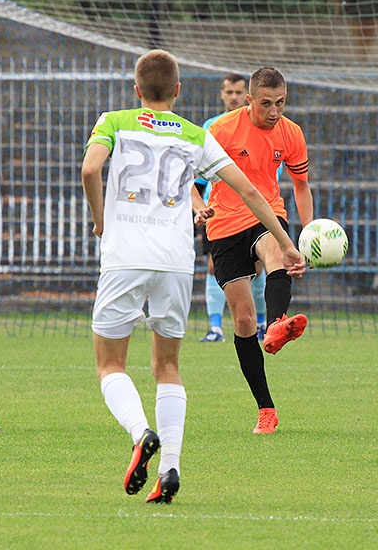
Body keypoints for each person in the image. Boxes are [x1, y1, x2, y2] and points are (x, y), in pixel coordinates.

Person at [82, 50, 305, 503]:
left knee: (110, 364)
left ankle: (139, 431)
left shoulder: (115, 120)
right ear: (179, 90)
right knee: (167, 366)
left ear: (136, 90)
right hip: (175, 260)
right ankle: (170, 470)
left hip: (126, 256)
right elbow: (248, 190)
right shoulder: (193, 133)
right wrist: (286, 241)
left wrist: (100, 218)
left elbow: (90, 169)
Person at [205, 67, 314, 434]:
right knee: (244, 321)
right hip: (223, 223)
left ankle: (279, 321)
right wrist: (194, 205)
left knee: (277, 252)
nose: (274, 111)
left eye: (280, 103)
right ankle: (266, 409)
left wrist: (308, 234)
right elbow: (190, 176)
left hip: (267, 212)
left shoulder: (291, 134)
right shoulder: (221, 130)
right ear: (249, 99)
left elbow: (301, 185)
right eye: (265, 103)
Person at [197, 73, 269, 343]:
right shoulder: (211, 126)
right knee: (214, 266)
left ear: (247, 96)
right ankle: (215, 327)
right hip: (218, 209)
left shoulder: (263, 126)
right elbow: (202, 175)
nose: (234, 97)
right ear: (222, 94)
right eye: (229, 92)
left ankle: (261, 323)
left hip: (253, 208)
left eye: (238, 92)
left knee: (258, 267)